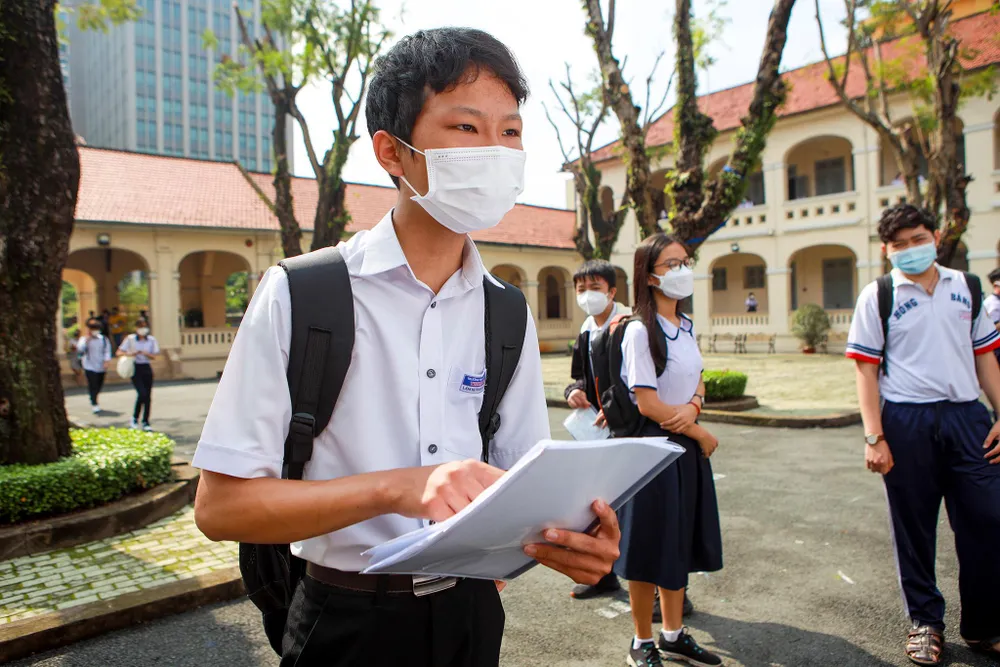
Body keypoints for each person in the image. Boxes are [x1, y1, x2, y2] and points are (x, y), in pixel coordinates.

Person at [190, 28, 620, 667]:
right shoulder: (300, 293)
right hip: (343, 618)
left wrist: (574, 539)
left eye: (510, 132)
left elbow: (514, 487)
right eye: (467, 129)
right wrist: (398, 488)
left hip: (471, 617)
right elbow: (222, 506)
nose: (496, 152)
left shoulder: (505, 311)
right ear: (392, 152)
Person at [845, 204, 1000, 666]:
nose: (911, 250)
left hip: (966, 418)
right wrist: (874, 437)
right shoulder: (879, 295)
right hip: (906, 421)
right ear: (886, 251)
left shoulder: (968, 287)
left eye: (918, 239)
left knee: (988, 521)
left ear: (934, 236)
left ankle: (985, 625)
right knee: (914, 527)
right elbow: (865, 370)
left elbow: (985, 358)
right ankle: (925, 623)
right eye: (899, 245)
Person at [616, 233, 724, 667]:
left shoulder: (687, 325)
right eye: (672, 264)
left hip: (683, 449)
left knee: (676, 544)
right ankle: (641, 642)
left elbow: (697, 377)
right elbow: (646, 402)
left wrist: (695, 407)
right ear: (650, 275)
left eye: (685, 261)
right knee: (647, 548)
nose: (682, 270)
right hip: (653, 451)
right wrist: (697, 431)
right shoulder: (639, 331)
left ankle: (674, 634)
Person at [565, 260, 631, 600]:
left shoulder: (630, 326)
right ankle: (603, 576)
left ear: (612, 291)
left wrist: (615, 408)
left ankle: (667, 588)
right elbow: (580, 376)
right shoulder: (587, 330)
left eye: (595, 288)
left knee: (639, 510)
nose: (588, 296)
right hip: (597, 433)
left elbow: (638, 381)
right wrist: (573, 392)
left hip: (631, 430)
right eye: (581, 290)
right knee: (599, 507)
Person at [118, 317, 159, 431]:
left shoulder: (151, 340)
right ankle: (134, 418)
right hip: (135, 367)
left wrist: (146, 353)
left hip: (146, 367)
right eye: (140, 327)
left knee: (147, 396)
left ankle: (145, 421)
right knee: (142, 393)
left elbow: (154, 356)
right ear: (136, 328)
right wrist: (131, 353)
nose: (143, 329)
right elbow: (119, 351)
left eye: (144, 327)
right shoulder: (130, 339)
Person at [77, 317, 112, 413]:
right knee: (92, 384)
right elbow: (80, 349)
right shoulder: (84, 339)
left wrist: (106, 361)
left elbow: (107, 351)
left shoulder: (104, 339)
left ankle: (94, 396)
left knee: (99, 384)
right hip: (89, 365)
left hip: (101, 365)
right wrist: (87, 340)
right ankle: (94, 402)